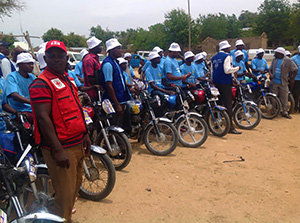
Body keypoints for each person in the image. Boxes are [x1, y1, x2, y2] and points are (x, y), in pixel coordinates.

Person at [29, 40, 91, 222]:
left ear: (66, 58)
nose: (56, 59)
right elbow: (43, 118)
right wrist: (57, 150)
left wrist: (85, 134)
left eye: (60, 56)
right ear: (45, 59)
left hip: (77, 142)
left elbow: (77, 109)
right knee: (64, 197)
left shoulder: (67, 80)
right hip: (62, 148)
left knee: (74, 189)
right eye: (52, 56)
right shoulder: (41, 84)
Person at [100, 38, 132, 133]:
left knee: (121, 124)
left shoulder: (115, 63)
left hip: (120, 98)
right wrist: (117, 104)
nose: (120, 51)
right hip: (113, 101)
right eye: (118, 48)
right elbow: (109, 85)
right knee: (115, 125)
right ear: (111, 50)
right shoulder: (108, 64)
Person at [211, 40, 241, 134]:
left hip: (216, 83)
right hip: (225, 83)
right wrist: (237, 68)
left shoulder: (213, 58)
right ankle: (230, 127)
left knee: (219, 104)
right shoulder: (227, 56)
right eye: (228, 47)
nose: (230, 49)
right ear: (225, 48)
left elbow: (212, 71)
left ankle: (217, 123)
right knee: (228, 105)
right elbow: (227, 70)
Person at [6, 52, 36, 123]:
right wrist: (32, 102)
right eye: (28, 63)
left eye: (32, 64)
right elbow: (14, 95)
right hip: (21, 110)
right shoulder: (12, 77)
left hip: (34, 109)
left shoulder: (32, 77)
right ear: (20, 64)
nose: (31, 66)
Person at [269, 47, 298, 119]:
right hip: (274, 82)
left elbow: (295, 69)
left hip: (283, 82)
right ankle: (274, 111)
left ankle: (284, 112)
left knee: (284, 98)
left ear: (280, 54)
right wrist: (271, 74)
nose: (274, 54)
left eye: (276, 53)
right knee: (273, 98)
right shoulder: (274, 60)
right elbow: (270, 69)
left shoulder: (288, 60)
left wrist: (292, 79)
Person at [82, 36, 103, 101]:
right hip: (93, 93)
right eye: (99, 46)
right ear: (94, 47)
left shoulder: (95, 58)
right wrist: (97, 86)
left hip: (98, 92)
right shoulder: (89, 60)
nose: (101, 47)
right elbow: (90, 77)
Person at [291, 45, 300, 112]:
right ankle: (294, 107)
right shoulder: (294, 58)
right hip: (296, 79)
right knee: (296, 94)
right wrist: (292, 79)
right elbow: (291, 70)